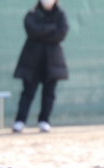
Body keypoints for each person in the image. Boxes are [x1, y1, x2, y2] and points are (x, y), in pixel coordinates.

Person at [12, 0, 69, 134]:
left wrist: (42, 31)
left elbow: (62, 32)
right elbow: (32, 30)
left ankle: (44, 120)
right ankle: (20, 121)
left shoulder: (60, 15)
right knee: (27, 92)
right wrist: (51, 28)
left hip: (52, 62)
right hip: (32, 61)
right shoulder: (32, 14)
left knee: (49, 93)